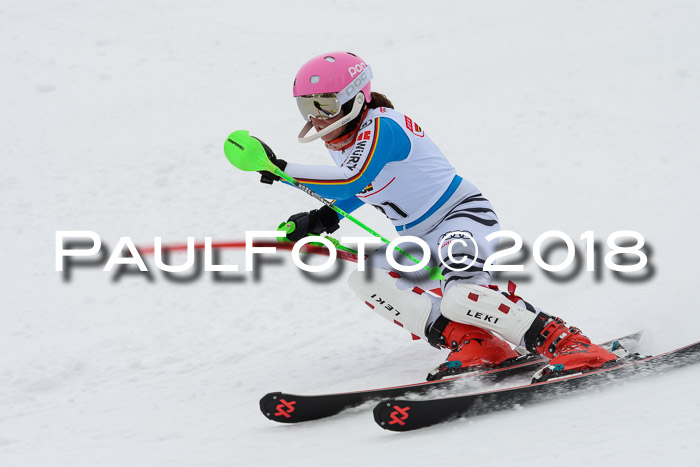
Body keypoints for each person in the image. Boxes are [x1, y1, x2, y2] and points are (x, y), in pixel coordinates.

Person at [254, 51, 622, 382]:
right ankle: (476, 344)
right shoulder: (344, 140)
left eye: (326, 106)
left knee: (461, 295)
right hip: (417, 236)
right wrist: (322, 219)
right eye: (308, 109)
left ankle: (569, 344)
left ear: (356, 98)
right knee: (368, 280)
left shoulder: (384, 126)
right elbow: (362, 188)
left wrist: (283, 169)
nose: (317, 119)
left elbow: (353, 177)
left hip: (459, 219)